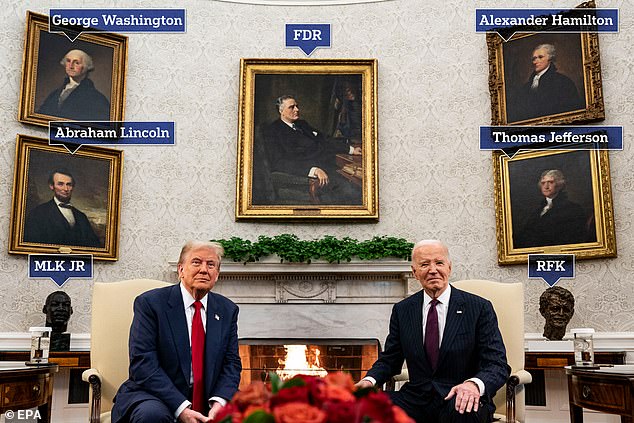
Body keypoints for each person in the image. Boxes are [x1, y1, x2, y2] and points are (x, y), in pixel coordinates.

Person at [356, 240, 509, 423]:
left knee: (462, 410)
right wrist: (369, 381)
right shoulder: (403, 310)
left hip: (460, 396)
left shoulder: (478, 308)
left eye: (439, 263)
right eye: (424, 264)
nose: (433, 269)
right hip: (416, 399)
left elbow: (497, 364)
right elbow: (390, 360)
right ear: (415, 273)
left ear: (449, 268)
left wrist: (473, 385)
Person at [111, 241, 241, 423]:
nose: (204, 270)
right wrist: (181, 407)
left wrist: (220, 401)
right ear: (180, 270)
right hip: (156, 394)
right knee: (152, 415)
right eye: (196, 262)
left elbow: (231, 363)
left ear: (217, 274)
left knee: (253, 410)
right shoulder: (151, 304)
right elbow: (143, 363)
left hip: (209, 396)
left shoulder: (227, 310)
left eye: (211, 265)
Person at [262, 95, 362, 205]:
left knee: (357, 182)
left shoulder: (302, 124)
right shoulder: (273, 131)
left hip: (328, 166)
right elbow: (280, 162)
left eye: (297, 106)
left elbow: (324, 139)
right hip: (309, 175)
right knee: (354, 192)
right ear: (282, 112)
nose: (297, 109)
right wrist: (313, 170)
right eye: (292, 107)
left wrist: (350, 150)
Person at [514, 169, 592, 248]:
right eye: (543, 183)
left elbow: (573, 238)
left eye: (551, 182)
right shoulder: (537, 210)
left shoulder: (573, 209)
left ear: (559, 185)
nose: (546, 186)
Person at [23, 169, 101, 248]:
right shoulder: (38, 213)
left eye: (69, 184)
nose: (66, 189)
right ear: (51, 186)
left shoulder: (81, 217)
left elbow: (94, 247)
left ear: (72, 187)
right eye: (60, 184)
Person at [508, 44, 584, 122]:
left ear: (550, 59)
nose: (535, 62)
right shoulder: (526, 87)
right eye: (534, 58)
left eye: (540, 57)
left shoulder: (563, 82)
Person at [37, 49, 110, 121]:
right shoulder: (55, 94)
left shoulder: (96, 98)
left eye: (76, 63)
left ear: (86, 67)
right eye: (68, 61)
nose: (71, 66)